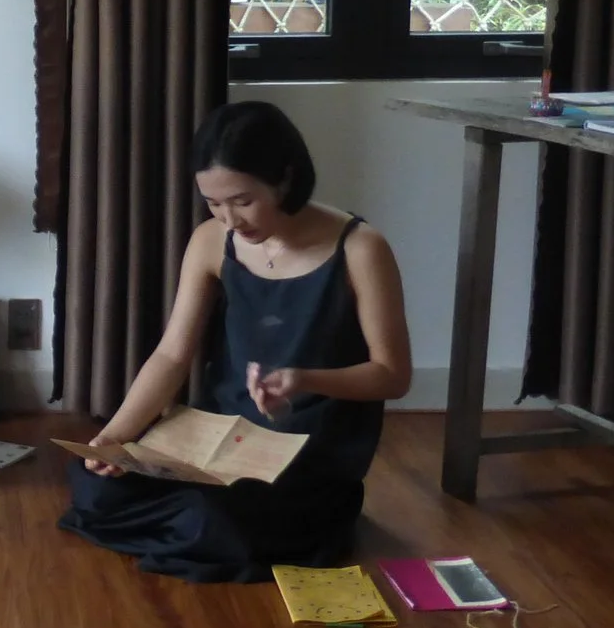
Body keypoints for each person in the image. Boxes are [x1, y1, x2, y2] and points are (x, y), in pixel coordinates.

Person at [61, 100, 412, 581]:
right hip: (219, 443)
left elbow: (392, 376)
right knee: (94, 482)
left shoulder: (360, 249)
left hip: (308, 458)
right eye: (213, 203)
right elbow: (171, 353)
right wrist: (116, 438)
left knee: (216, 517)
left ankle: (207, 530)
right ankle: (198, 528)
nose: (229, 220)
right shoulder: (211, 241)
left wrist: (304, 379)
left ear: (285, 178)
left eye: (243, 201)